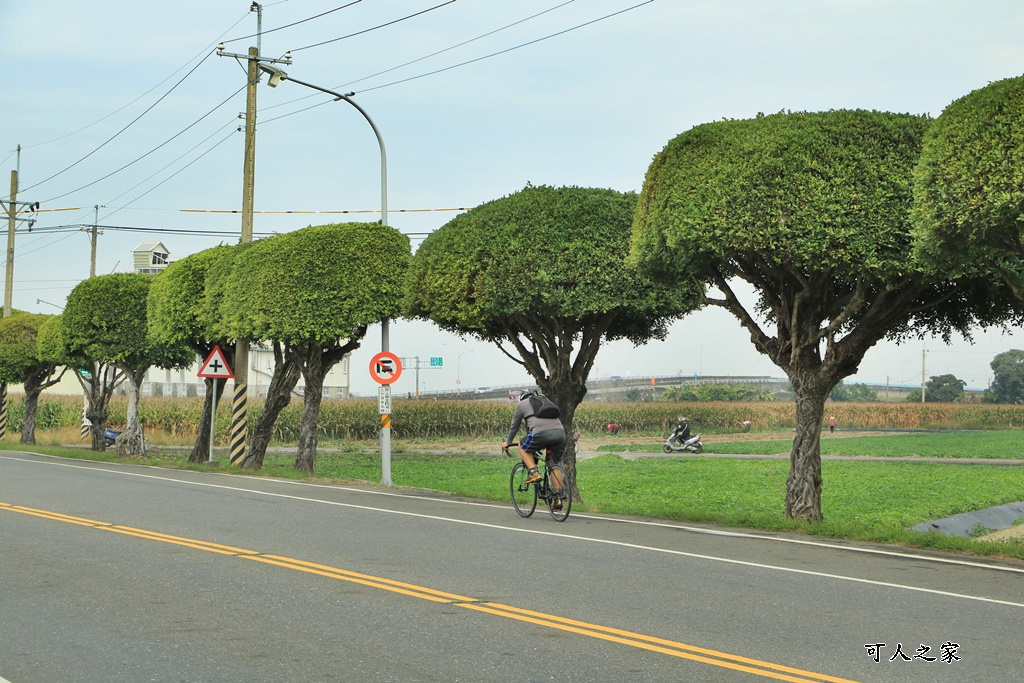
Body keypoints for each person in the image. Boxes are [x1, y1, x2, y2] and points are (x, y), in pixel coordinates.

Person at [501, 390, 566, 494]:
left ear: (521, 398)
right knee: (554, 464)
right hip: (560, 434)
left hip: (540, 434)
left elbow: (514, 426)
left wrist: (508, 442)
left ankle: (533, 472)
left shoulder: (522, 404)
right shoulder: (545, 401)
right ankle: (557, 496)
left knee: (522, 446)